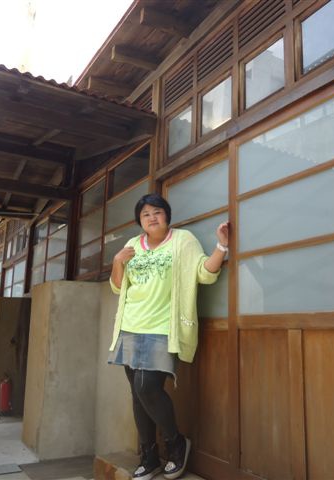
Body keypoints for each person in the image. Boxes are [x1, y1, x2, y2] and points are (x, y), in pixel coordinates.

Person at [108, 193, 229, 480]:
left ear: (167, 216)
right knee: (138, 395)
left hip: (162, 328)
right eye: (145, 214)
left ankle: (176, 443)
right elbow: (118, 287)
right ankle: (149, 457)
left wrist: (222, 246)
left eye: (157, 212)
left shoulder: (183, 240)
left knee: (146, 387)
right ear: (139, 220)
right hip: (130, 326)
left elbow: (204, 273)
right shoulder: (132, 245)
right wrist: (117, 261)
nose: (152, 217)